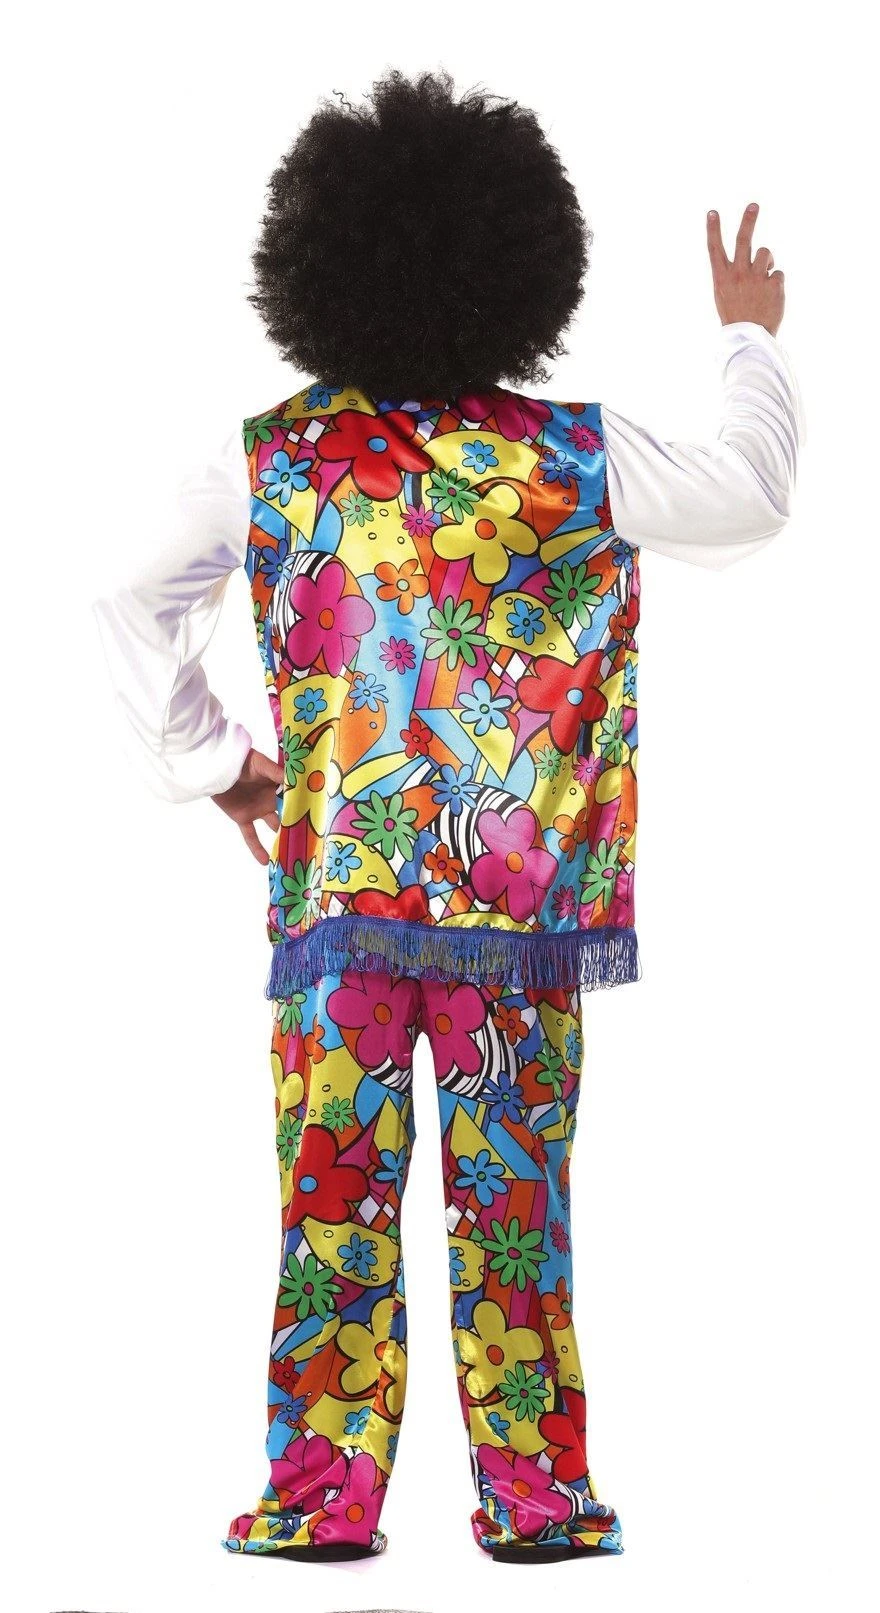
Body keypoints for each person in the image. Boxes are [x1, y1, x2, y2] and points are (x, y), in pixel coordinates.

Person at [91, 67, 804, 1564]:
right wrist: (750, 338)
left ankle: (317, 1503)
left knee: (330, 1206)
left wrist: (219, 765)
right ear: (518, 272)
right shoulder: (570, 458)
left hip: (340, 920)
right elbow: (749, 496)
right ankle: (538, 1504)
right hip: (518, 931)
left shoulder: (270, 458)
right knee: (517, 1211)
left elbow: (127, 598)